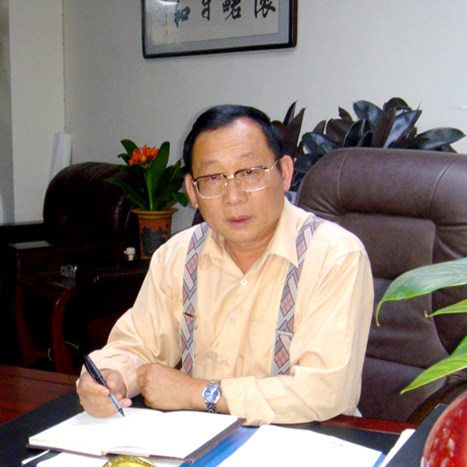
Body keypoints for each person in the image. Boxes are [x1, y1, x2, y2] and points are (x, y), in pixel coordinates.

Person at [77, 104, 374, 425]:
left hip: (309, 438)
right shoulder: (177, 255)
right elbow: (138, 345)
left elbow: (324, 392)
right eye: (213, 178)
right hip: (199, 437)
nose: (233, 196)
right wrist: (111, 377)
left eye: (250, 173)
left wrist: (199, 393)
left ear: (285, 173)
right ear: (192, 192)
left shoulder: (334, 255)